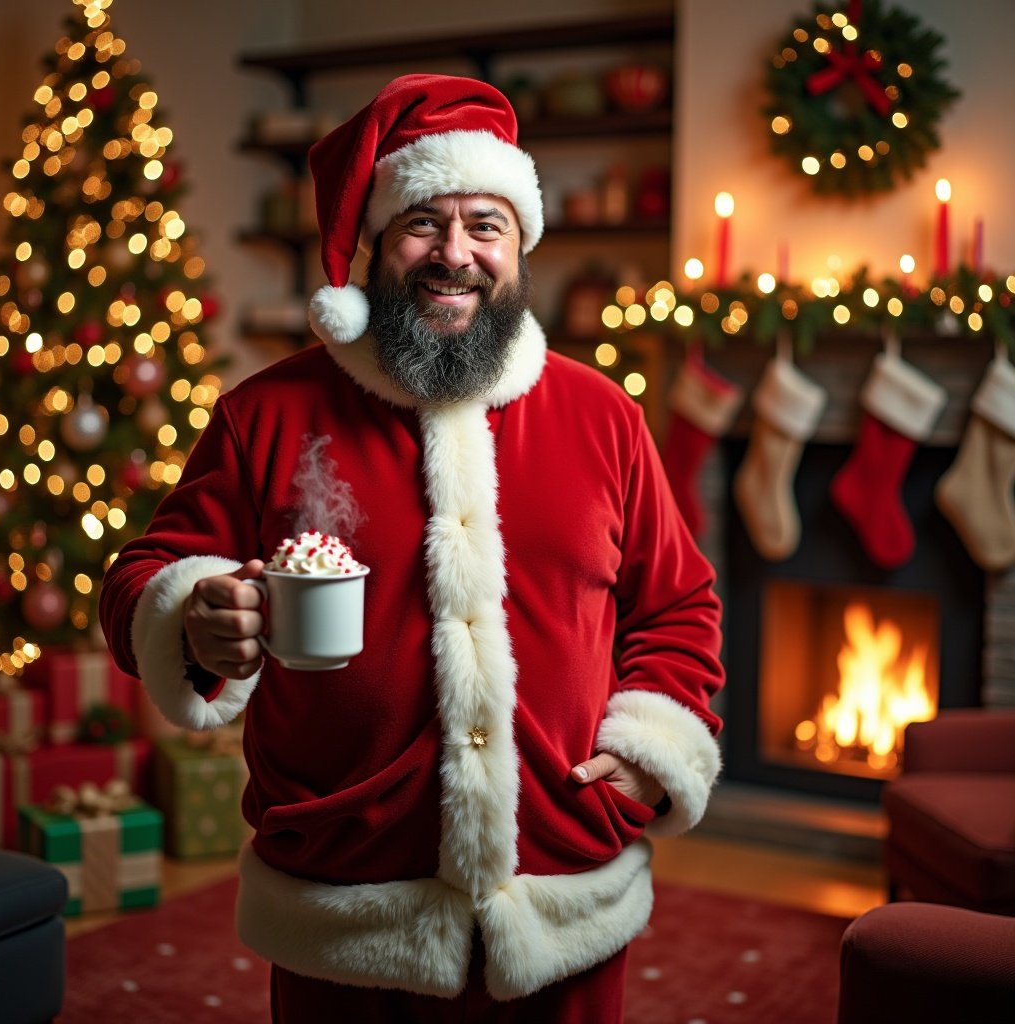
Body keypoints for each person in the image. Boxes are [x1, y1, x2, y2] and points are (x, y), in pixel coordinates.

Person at [99, 74, 725, 1023]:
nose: (457, 254)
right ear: (376, 247)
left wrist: (650, 753)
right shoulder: (265, 414)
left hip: (563, 882)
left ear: (521, 248)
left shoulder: (604, 416)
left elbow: (678, 606)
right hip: (347, 895)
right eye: (423, 223)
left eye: (487, 225)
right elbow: (143, 575)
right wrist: (194, 613)